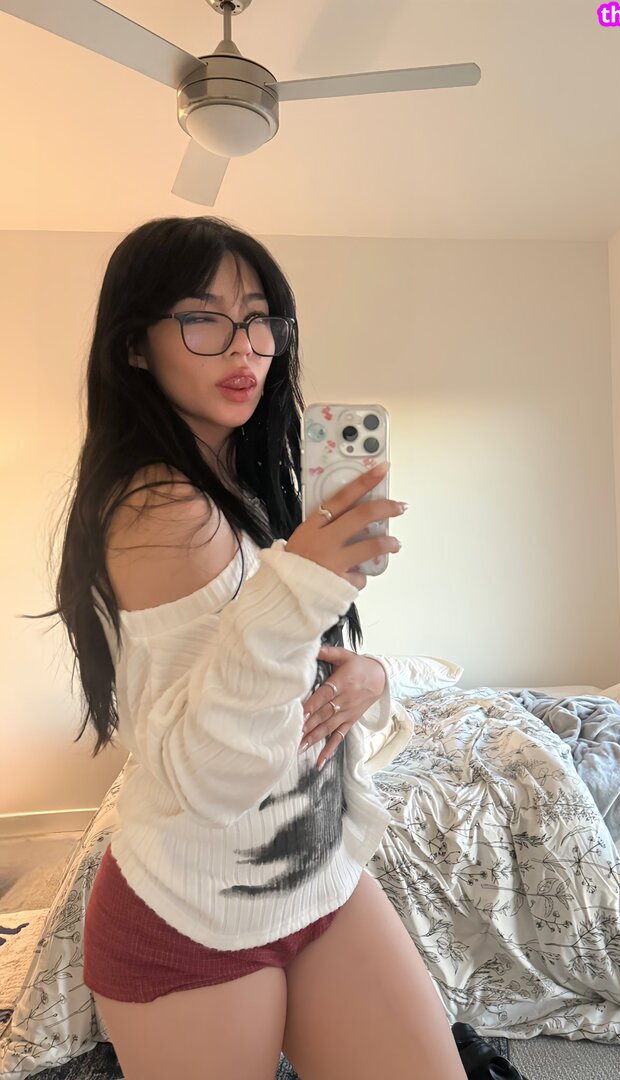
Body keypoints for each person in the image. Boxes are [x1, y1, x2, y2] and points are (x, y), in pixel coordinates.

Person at [31, 216, 468, 1080]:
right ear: (135, 346)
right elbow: (213, 778)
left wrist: (371, 674)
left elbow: (270, 670)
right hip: (193, 918)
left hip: (316, 876)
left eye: (260, 318)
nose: (245, 347)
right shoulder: (163, 508)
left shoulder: (237, 481)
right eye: (203, 318)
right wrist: (301, 587)